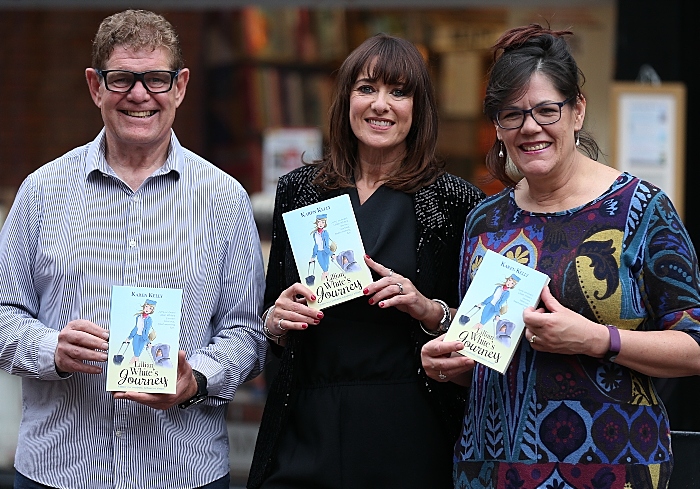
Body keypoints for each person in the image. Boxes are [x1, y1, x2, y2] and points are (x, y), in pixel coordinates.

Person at [420, 24, 700, 489]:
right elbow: (487, 353)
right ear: (498, 127)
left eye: (547, 110)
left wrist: (597, 339)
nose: (530, 127)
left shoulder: (642, 211)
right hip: (492, 470)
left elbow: (694, 345)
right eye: (512, 115)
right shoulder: (485, 220)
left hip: (614, 468)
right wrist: (452, 366)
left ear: (577, 112)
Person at [0, 9, 267, 489]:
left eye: (157, 79)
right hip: (58, 471)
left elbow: (246, 333)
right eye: (122, 78)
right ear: (95, 85)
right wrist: (50, 349)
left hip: (183, 471)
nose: (140, 95)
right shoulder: (41, 191)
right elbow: (3, 312)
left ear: (181, 86)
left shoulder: (224, 199)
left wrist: (197, 380)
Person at [247, 33, 484, 488]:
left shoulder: (454, 201)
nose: (381, 104)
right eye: (367, 88)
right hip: (307, 418)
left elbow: (478, 342)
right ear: (346, 100)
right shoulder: (300, 190)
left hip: (410, 423)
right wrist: (277, 319)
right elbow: (269, 322)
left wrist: (429, 310)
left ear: (419, 109)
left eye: (399, 91)